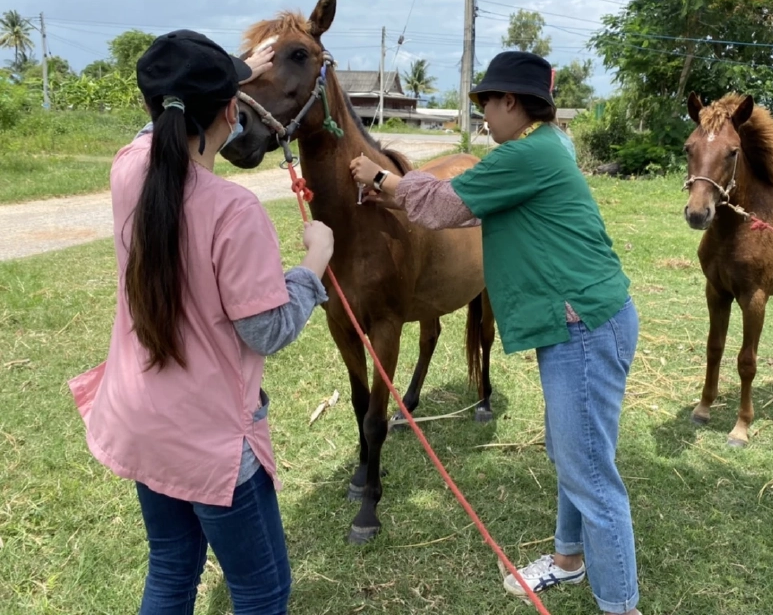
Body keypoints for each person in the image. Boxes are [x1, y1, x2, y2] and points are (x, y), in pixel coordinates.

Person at [350, 51, 642, 615]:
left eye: (486, 102)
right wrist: (395, 194)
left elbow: (443, 205)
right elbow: (467, 211)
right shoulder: (549, 145)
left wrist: (380, 175)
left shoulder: (526, 153)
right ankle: (568, 559)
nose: (483, 113)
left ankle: (620, 605)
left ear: (512, 102)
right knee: (572, 454)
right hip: (581, 323)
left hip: (582, 326)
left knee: (592, 476)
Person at [68, 30, 334, 615]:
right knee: (262, 592)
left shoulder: (128, 170)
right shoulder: (233, 209)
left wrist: (229, 75)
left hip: (142, 421)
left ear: (150, 108)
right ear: (232, 111)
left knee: (170, 572)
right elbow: (267, 329)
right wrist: (312, 265)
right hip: (211, 442)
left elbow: (165, 116)